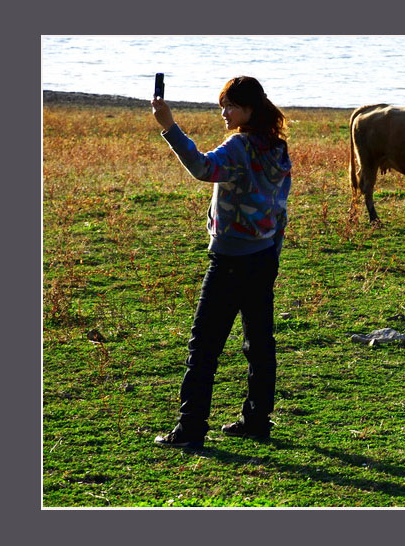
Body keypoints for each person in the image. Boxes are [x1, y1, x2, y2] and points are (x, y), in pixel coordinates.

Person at [151, 76, 291, 448]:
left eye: (230, 106)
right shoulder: (277, 148)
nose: (224, 113)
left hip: (230, 260)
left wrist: (169, 127)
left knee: (204, 346)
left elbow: (201, 167)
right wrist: (272, 255)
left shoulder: (240, 146)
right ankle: (257, 420)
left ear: (249, 109)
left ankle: (191, 428)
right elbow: (280, 210)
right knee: (259, 344)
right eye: (222, 106)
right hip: (262, 258)